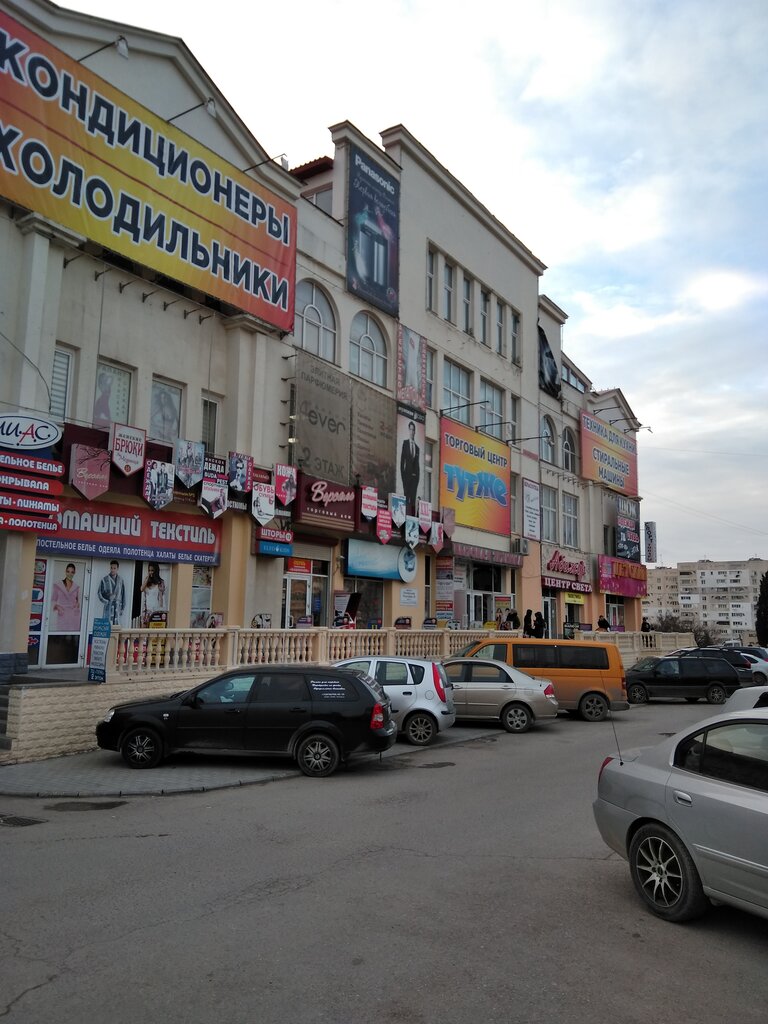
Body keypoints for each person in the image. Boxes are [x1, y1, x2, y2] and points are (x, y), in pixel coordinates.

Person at [51, 563, 81, 631]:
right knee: (60, 634)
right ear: (65, 572)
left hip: (73, 616)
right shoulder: (58, 585)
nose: (70, 574)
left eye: (72, 572)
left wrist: (77, 605)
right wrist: (58, 607)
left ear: (74, 573)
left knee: (71, 635)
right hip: (62, 614)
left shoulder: (76, 587)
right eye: (68, 571)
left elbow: (78, 602)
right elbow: (53, 600)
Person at [399, 419, 420, 513]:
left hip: (414, 480)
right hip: (406, 478)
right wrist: (403, 477)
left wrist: (417, 478)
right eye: (410, 429)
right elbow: (402, 461)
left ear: (415, 431)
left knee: (413, 503)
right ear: (408, 430)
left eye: (413, 430)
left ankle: (412, 516)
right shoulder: (405, 443)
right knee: (405, 501)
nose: (412, 432)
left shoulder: (417, 448)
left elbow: (417, 465)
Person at [97, 560, 126, 626]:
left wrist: (122, 608)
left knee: (116, 626)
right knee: (106, 625)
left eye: (114, 568)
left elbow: (123, 594)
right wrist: (107, 600)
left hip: (117, 607)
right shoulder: (104, 579)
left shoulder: (121, 580)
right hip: (108, 606)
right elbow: (99, 593)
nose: (112, 570)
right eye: (111, 568)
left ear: (117, 569)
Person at [141, 561, 166, 626]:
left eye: (152, 570)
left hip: (156, 612)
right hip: (147, 612)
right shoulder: (147, 581)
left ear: (156, 571)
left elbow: (161, 598)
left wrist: (161, 612)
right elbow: (141, 589)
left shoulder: (160, 582)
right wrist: (147, 578)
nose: (150, 572)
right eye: (149, 570)